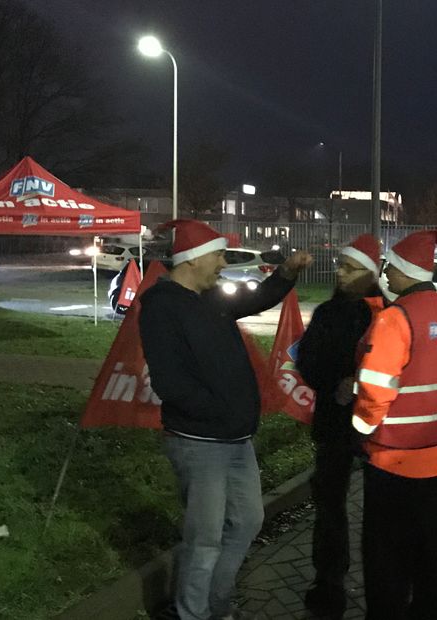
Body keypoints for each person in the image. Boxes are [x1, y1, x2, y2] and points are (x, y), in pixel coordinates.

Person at [138, 219, 312, 620]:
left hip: (235, 438)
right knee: (205, 540)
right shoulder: (162, 308)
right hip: (199, 441)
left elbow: (254, 300)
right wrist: (221, 411)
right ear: (193, 260)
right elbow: (171, 382)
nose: (223, 262)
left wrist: (286, 273)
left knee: (248, 521)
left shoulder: (210, 296)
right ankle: (192, 613)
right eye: (217, 254)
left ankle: (215, 603)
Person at [352, 230, 437, 620]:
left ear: (403, 272)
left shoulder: (394, 319)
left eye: (389, 267)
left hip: (392, 465)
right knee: (430, 562)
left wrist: (361, 429)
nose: (385, 273)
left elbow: (375, 389)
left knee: (386, 565)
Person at [296, 234, 386, 617]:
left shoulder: (387, 313)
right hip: (334, 424)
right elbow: (307, 360)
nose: (340, 273)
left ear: (370, 273)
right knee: (330, 505)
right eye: (341, 266)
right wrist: (332, 382)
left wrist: (362, 383)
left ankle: (383, 583)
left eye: (349, 268)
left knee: (380, 510)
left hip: (378, 427)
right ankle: (329, 579)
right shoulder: (327, 314)